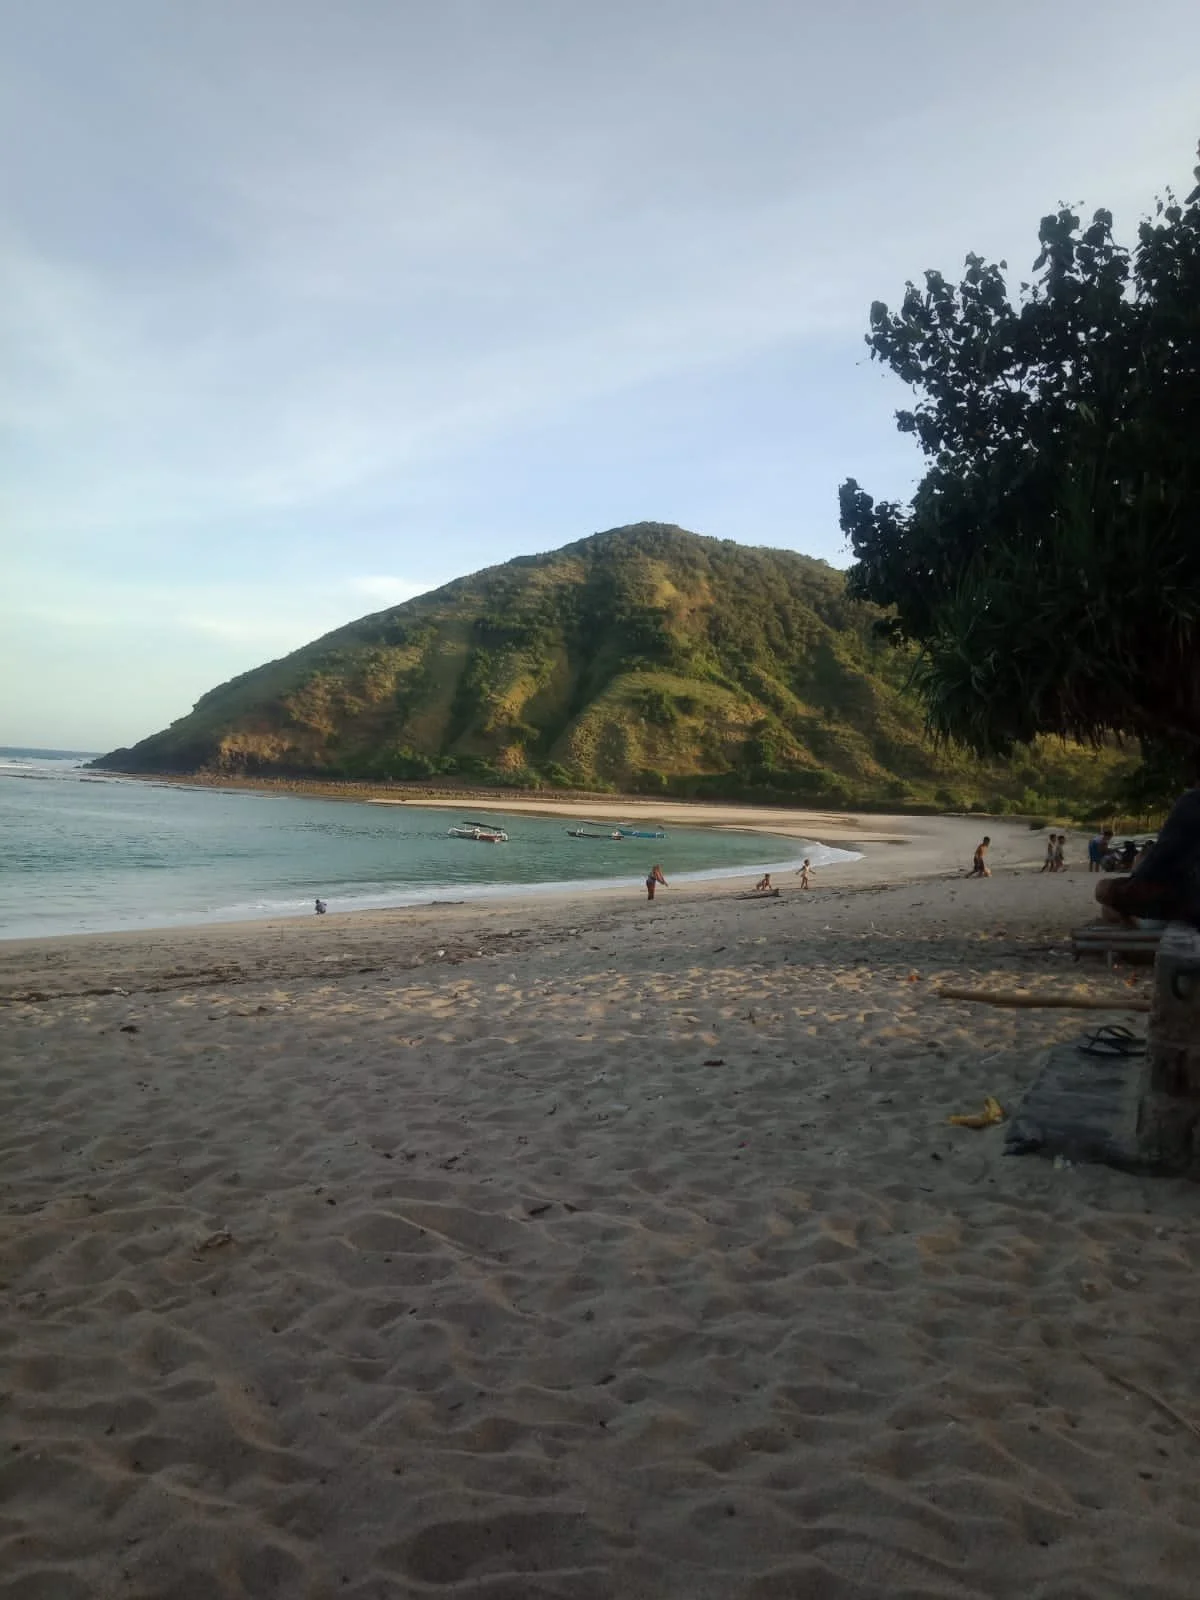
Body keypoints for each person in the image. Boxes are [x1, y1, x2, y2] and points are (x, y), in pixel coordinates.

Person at [1095, 772, 1200, 928]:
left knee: (1103, 890)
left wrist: (1137, 876)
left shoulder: (1191, 802)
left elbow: (1162, 855)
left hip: (1183, 898)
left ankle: (1135, 924)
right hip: (1183, 895)